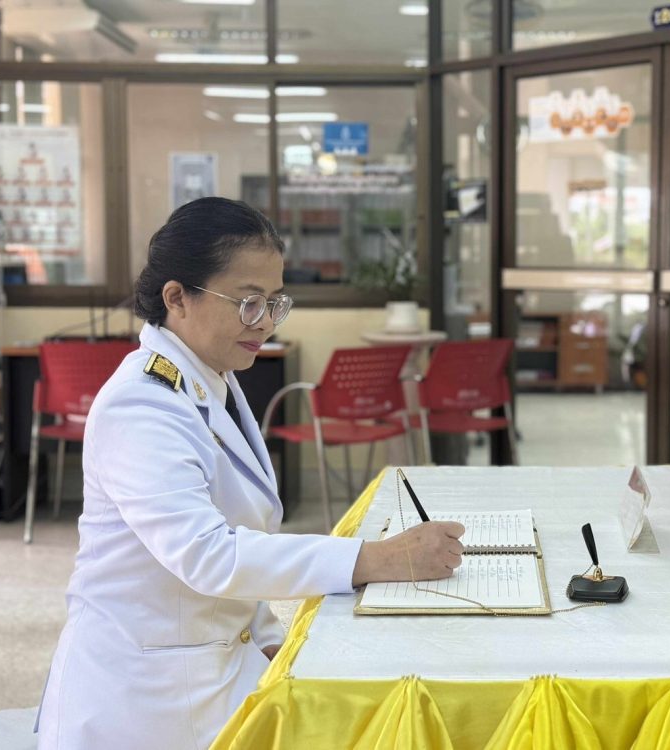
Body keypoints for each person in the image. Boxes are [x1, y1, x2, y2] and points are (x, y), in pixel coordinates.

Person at [36, 197, 465, 750]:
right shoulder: (141, 403)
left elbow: (241, 533)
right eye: (247, 303)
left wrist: (266, 638)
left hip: (212, 669)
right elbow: (207, 554)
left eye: (273, 302)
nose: (263, 322)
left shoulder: (213, 376)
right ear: (177, 298)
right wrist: (375, 560)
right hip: (142, 699)